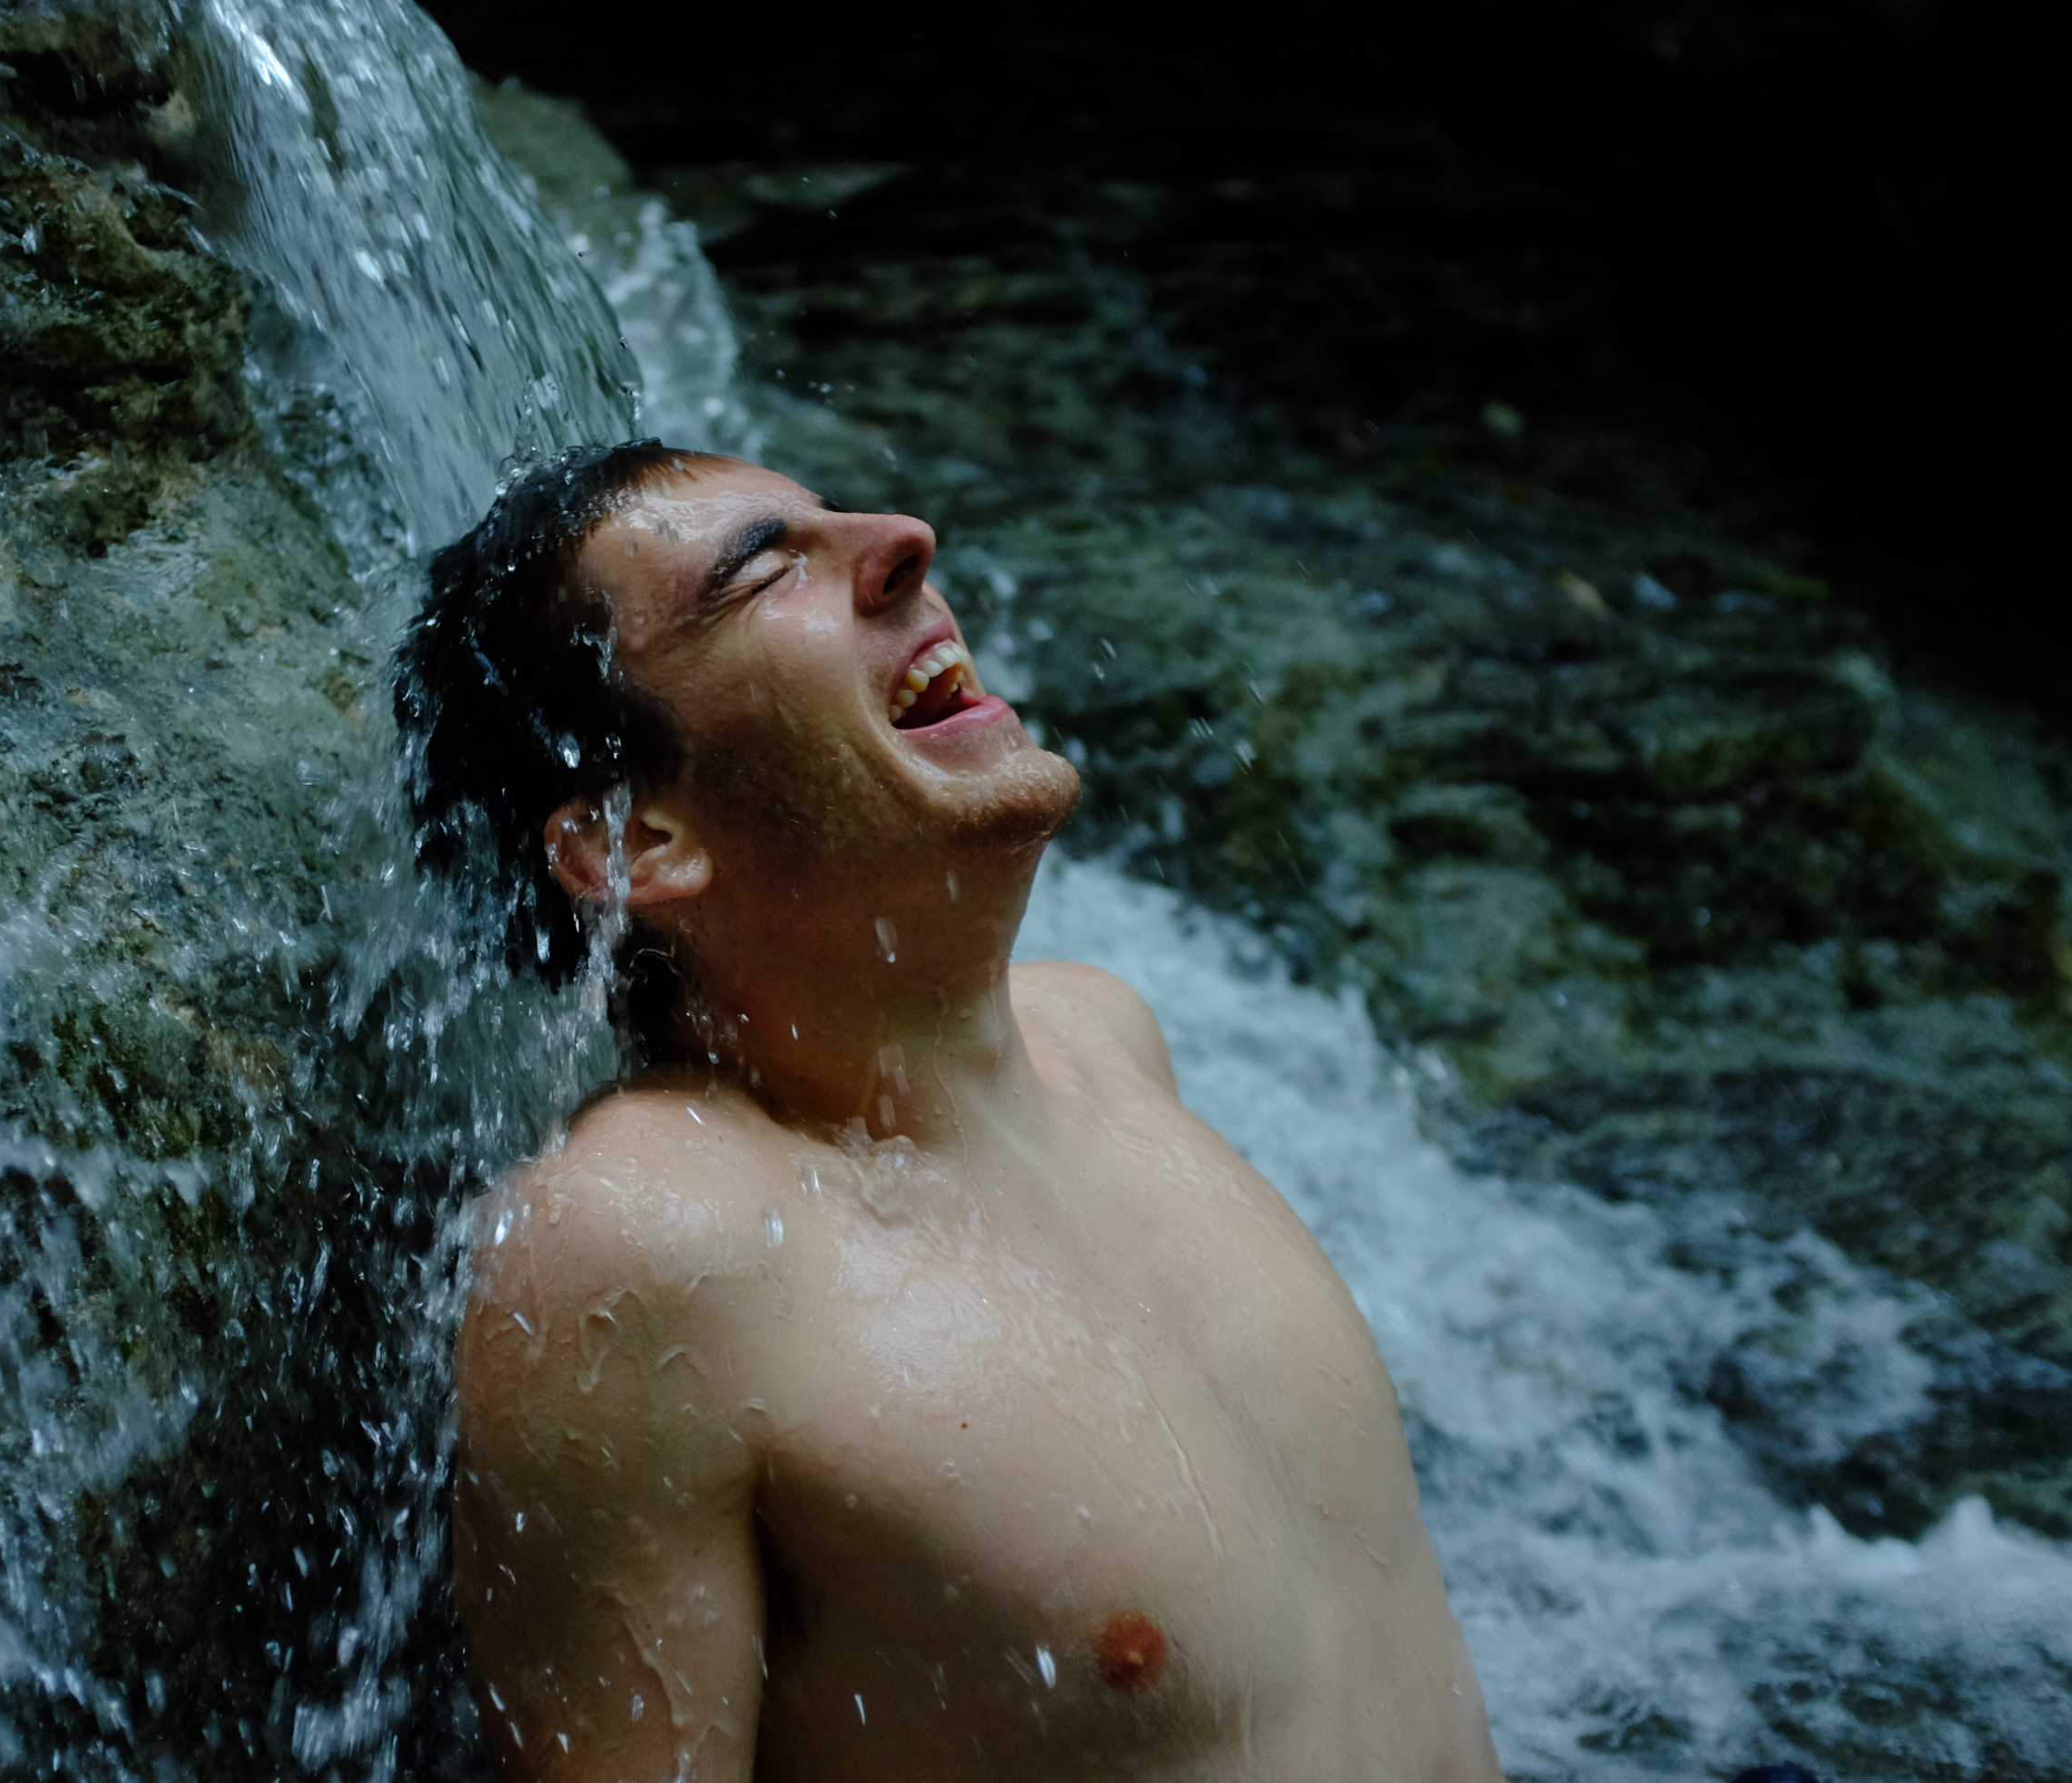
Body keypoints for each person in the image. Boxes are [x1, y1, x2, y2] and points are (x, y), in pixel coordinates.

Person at [397, 441, 1507, 1780]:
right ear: (637, 843)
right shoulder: (640, 1252)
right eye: (761, 571)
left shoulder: (1106, 1043)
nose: (908, 536)